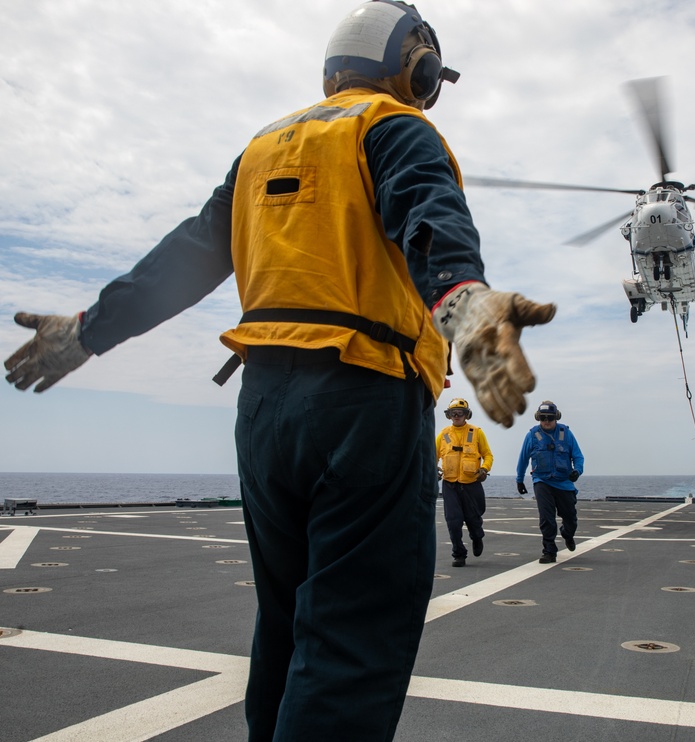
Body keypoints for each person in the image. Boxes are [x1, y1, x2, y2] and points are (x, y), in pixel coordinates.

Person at [3, 2, 556, 739]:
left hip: (264, 412)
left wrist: (84, 335)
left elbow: (183, 261)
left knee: (286, 627)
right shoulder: (394, 126)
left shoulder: (261, 148)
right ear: (414, 63)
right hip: (364, 398)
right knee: (353, 639)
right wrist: (468, 313)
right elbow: (430, 219)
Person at [515, 400, 584, 564]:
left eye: (550, 418)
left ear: (556, 418)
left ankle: (567, 534)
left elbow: (578, 456)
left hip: (564, 482)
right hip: (542, 481)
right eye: (543, 417)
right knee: (546, 517)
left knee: (570, 518)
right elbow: (523, 459)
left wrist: (577, 471)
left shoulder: (565, 433)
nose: (546, 421)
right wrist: (519, 480)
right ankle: (549, 550)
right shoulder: (532, 436)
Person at [436, 397, 492, 567]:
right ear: (449, 415)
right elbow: (432, 455)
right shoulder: (443, 435)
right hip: (450, 484)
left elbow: (488, 455)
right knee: (453, 521)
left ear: (467, 415)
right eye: (453, 413)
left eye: (460, 413)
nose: (457, 416)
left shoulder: (476, 433)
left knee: (473, 519)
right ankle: (459, 554)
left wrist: (484, 469)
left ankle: (477, 537)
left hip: (471, 484)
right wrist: (433, 469)